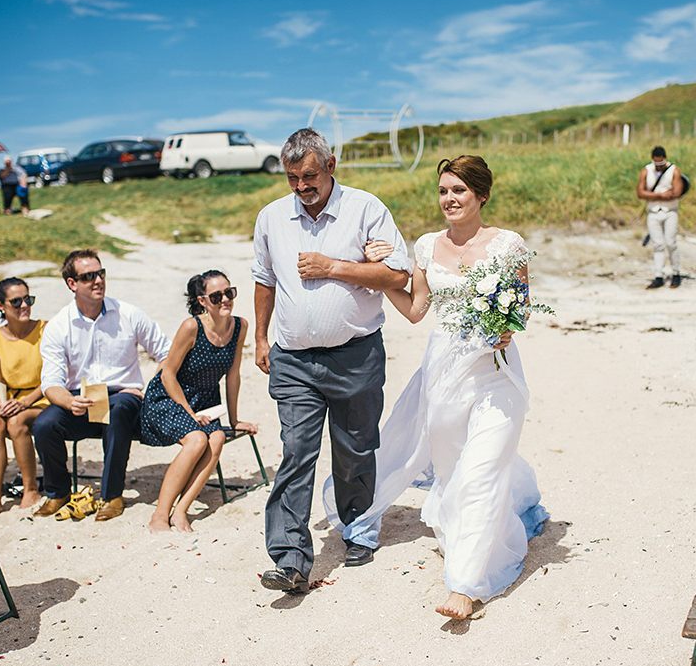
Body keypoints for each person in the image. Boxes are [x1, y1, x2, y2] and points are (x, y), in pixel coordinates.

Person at [329, 155, 549, 620]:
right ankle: (490, 529)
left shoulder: (509, 244)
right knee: (454, 473)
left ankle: (465, 586)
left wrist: (508, 326)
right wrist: (384, 274)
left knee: (482, 471)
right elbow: (414, 310)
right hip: (444, 376)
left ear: (481, 195)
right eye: (444, 190)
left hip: (496, 372)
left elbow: (522, 307)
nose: (449, 199)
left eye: (459, 191)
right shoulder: (427, 246)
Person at [252, 128, 411, 592]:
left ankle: (357, 528)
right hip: (294, 360)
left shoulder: (366, 209)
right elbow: (263, 279)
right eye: (292, 178)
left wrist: (334, 266)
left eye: (309, 176)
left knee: (355, 447)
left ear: (332, 166)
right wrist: (260, 339)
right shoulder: (271, 218)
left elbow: (398, 273)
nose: (302, 187)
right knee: (297, 453)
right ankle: (290, 559)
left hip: (357, 356)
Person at [33, 249, 170, 522]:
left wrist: (150, 390)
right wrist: (69, 401)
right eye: (88, 277)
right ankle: (57, 491)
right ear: (72, 284)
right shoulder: (59, 325)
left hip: (123, 398)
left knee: (118, 408)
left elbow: (167, 353)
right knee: (44, 424)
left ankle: (111, 494)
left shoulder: (128, 313)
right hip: (79, 402)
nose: (97, 280)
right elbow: (51, 383)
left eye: (100, 273)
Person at [140, 271, 257, 533]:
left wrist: (235, 420)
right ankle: (160, 514)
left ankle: (181, 511)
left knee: (216, 439)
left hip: (206, 400)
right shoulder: (191, 326)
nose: (225, 299)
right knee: (197, 440)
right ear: (202, 300)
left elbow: (233, 375)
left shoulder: (240, 326)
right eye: (217, 296)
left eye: (229, 292)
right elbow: (168, 374)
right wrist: (189, 412)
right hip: (170, 397)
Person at [0, 278, 47, 513]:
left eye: (28, 299)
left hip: (42, 396)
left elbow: (53, 376)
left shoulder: (45, 329)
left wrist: (24, 402)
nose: (24, 305)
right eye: (16, 301)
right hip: (10, 399)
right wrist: (1, 405)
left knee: (17, 422)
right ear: (1, 305)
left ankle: (30, 489)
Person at [634, 146, 684, 289]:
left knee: (671, 243)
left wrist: (651, 195)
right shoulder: (646, 171)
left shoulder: (674, 170)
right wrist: (660, 195)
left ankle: (676, 273)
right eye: (657, 164)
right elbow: (640, 192)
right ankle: (658, 275)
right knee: (658, 244)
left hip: (670, 211)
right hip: (653, 212)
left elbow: (677, 192)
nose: (659, 167)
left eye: (661, 164)